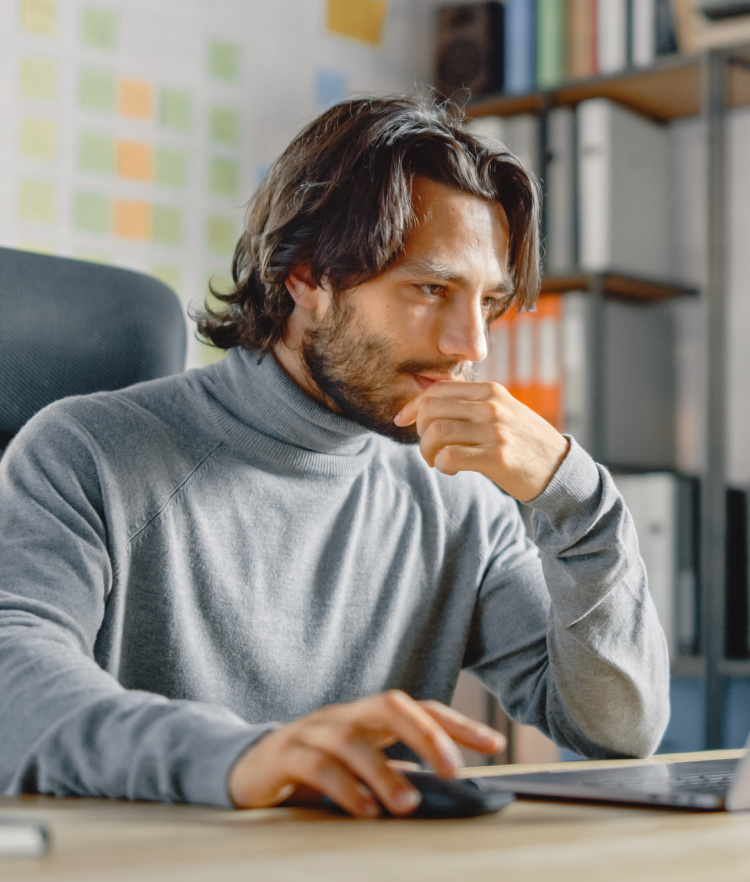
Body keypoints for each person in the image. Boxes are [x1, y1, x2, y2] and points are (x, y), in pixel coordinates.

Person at [0, 95, 669, 819]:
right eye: (432, 289)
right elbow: (14, 680)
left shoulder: (460, 504)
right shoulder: (83, 454)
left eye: (488, 303)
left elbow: (619, 731)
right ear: (308, 278)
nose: (469, 346)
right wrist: (242, 758)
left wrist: (574, 498)